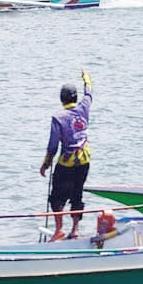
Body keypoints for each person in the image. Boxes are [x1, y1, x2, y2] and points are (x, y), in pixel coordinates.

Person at [39, 70, 93, 242]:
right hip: (84, 160)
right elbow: (89, 92)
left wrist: (46, 164)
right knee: (77, 195)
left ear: (62, 99)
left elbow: (53, 145)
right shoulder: (84, 107)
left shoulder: (58, 117)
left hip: (67, 163)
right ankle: (75, 230)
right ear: (75, 98)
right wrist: (86, 78)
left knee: (56, 197)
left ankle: (59, 230)